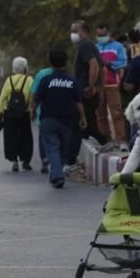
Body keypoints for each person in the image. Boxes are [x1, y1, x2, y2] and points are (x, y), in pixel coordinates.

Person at [31, 49, 87, 189]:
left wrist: (32, 113)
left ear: (50, 62)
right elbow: (78, 101)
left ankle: (56, 175)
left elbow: (36, 100)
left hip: (48, 120)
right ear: (66, 62)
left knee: (52, 148)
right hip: (67, 122)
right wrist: (83, 117)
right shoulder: (71, 80)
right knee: (62, 149)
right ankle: (57, 175)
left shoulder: (46, 80)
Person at [70, 20, 108, 148]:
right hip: (92, 91)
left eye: (75, 31)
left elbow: (94, 65)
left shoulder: (85, 45)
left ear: (84, 31)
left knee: (86, 122)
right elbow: (102, 69)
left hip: (86, 91)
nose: (73, 34)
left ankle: (104, 142)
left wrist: (91, 85)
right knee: (89, 122)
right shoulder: (91, 45)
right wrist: (100, 89)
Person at [0, 56, 35, 172]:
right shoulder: (29, 80)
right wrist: (32, 110)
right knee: (26, 137)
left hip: (10, 114)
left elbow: (2, 97)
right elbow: (33, 95)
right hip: (24, 113)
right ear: (25, 67)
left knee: (11, 137)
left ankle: (14, 161)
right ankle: (26, 161)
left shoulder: (9, 80)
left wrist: (1, 112)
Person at [95, 23, 129, 151]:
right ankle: (107, 140)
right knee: (100, 114)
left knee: (117, 113)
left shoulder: (117, 47)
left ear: (108, 33)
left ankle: (121, 140)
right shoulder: (95, 47)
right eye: (99, 35)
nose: (101, 37)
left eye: (103, 34)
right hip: (98, 86)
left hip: (112, 84)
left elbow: (123, 63)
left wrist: (110, 64)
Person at [30, 61, 55, 174]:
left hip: (43, 111)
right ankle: (56, 161)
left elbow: (34, 93)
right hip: (62, 112)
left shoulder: (41, 74)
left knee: (43, 136)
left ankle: (44, 159)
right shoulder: (65, 75)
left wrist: (33, 110)